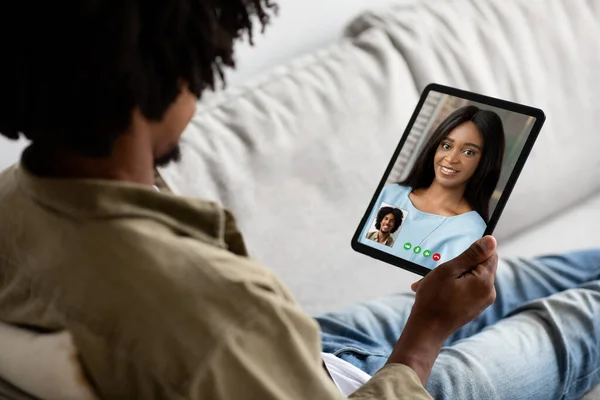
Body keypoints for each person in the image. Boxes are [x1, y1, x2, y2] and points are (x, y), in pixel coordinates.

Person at [0, 2, 599, 400]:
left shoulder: (14, 202)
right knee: (580, 322)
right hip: (375, 383)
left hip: (303, 352)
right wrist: (427, 333)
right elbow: (222, 323)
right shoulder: (224, 310)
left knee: (523, 277)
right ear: (161, 78)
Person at [359, 106, 505, 268]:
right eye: (447, 146)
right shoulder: (391, 194)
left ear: (485, 162)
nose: (451, 158)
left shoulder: (471, 230)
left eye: (468, 152)